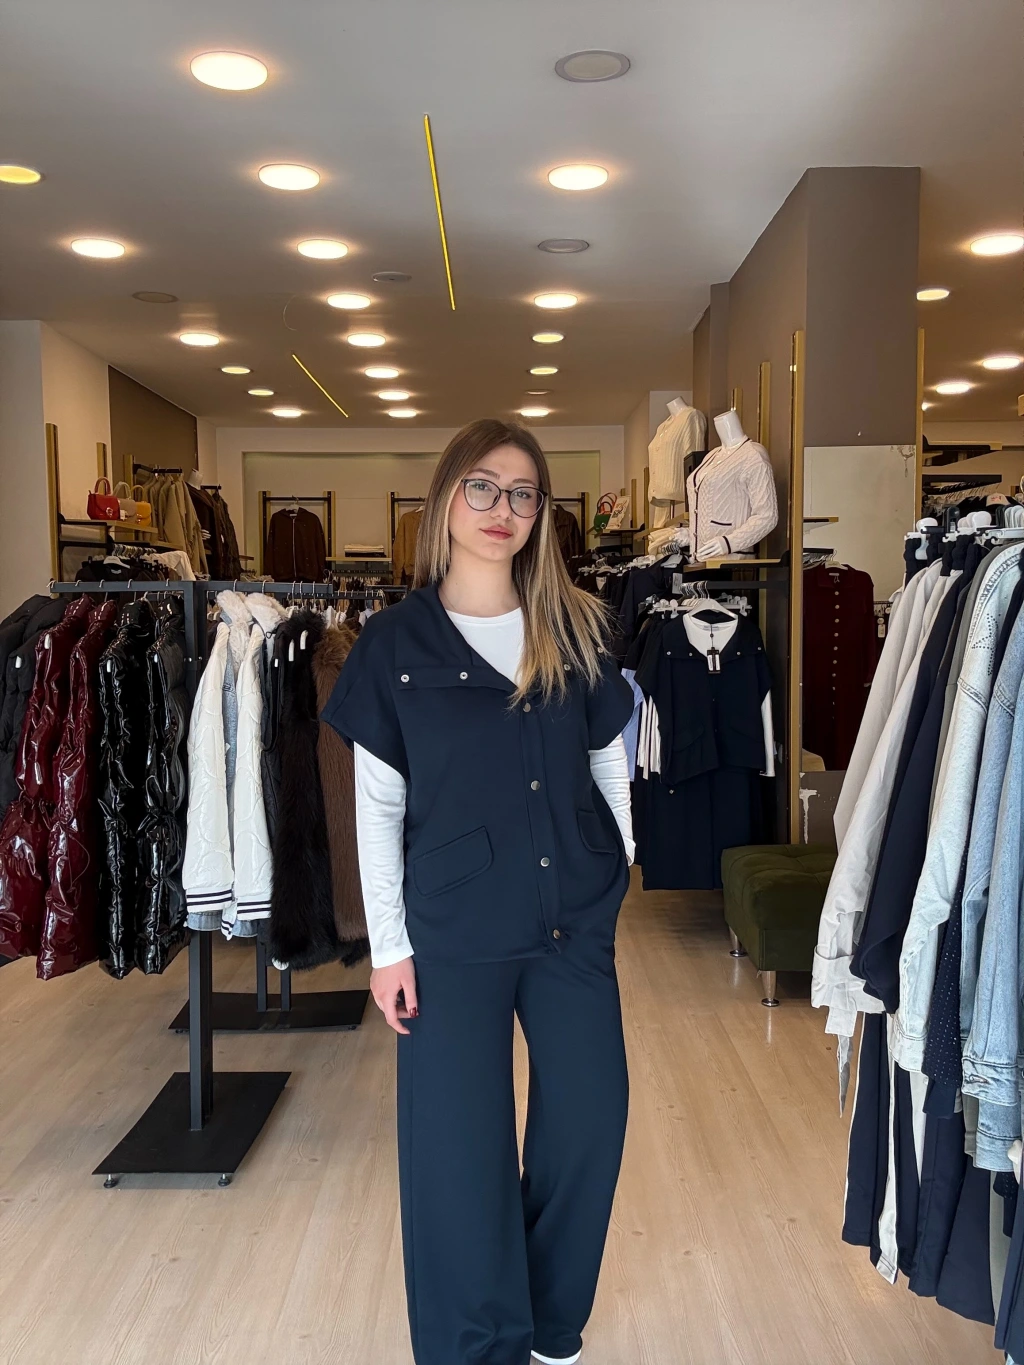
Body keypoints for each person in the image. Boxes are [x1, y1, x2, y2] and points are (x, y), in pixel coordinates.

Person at [323, 418, 636, 1365]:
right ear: (447, 498)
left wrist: (618, 862)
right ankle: (476, 1343)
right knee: (459, 1148)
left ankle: (550, 1320)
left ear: (541, 513)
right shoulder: (393, 642)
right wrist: (388, 947)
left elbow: (606, 757)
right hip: (451, 933)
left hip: (570, 922)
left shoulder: (576, 626)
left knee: (589, 1119)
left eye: (524, 493)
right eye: (484, 487)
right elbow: (378, 806)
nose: (504, 509)